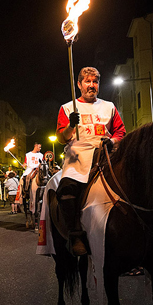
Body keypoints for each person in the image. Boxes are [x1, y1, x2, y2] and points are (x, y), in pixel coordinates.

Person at [55, 67, 126, 256]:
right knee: (66, 188)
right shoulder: (67, 108)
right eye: (87, 82)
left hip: (104, 156)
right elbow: (62, 138)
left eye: (95, 82)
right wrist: (71, 126)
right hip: (77, 158)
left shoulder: (109, 106)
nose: (92, 85)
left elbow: (120, 132)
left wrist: (112, 141)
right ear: (79, 84)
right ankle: (75, 235)